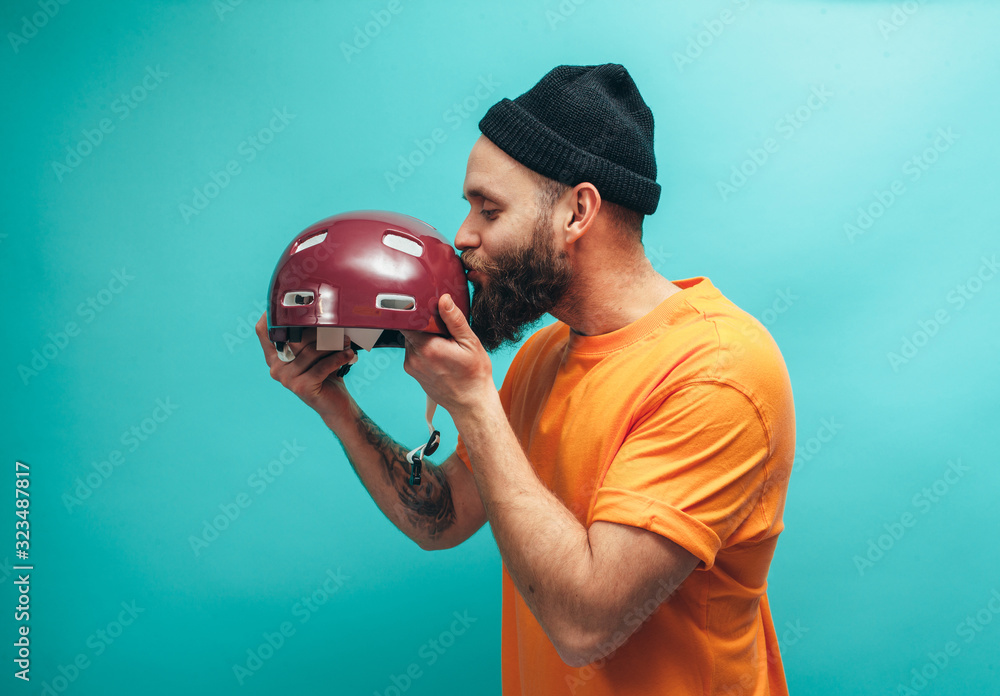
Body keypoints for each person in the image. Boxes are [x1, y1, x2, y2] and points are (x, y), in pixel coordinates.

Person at [256, 63, 795, 695]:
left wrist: (476, 404)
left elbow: (584, 624)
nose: (463, 236)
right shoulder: (546, 354)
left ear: (577, 211)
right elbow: (447, 515)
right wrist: (333, 401)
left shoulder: (718, 373)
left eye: (489, 208)